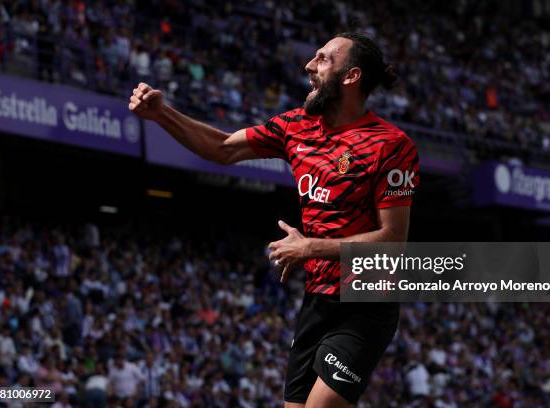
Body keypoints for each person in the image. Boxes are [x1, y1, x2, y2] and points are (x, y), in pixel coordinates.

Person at [129, 32, 419, 407]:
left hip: (366, 303)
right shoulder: (295, 127)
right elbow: (221, 148)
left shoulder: (390, 145)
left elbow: (394, 242)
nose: (309, 66)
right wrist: (160, 114)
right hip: (317, 300)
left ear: (351, 76)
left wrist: (310, 247)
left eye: (323, 59)